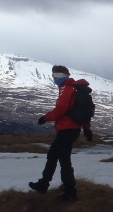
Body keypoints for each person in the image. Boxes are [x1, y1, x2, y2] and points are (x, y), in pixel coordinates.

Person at [28, 65, 89, 201]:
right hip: (70, 129)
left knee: (63, 160)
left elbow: (61, 109)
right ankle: (44, 184)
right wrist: (87, 128)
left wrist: (45, 118)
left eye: (55, 77)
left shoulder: (66, 88)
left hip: (67, 129)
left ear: (61, 76)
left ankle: (70, 192)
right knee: (53, 155)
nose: (54, 79)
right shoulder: (73, 87)